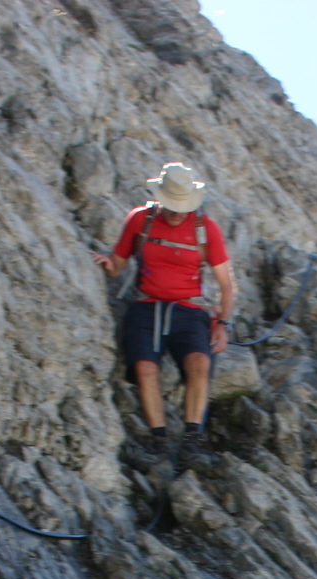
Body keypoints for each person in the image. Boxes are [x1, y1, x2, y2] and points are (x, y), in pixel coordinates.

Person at [92, 163, 237, 470]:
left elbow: (226, 284)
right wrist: (108, 263)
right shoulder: (139, 220)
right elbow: (119, 262)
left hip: (190, 308)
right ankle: (158, 441)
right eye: (171, 206)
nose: (176, 213)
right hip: (146, 305)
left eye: (182, 207)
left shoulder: (205, 229)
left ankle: (191, 441)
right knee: (145, 368)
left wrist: (222, 324)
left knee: (200, 363)